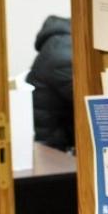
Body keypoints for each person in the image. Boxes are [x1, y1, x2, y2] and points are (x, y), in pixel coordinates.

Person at [25, 16, 75, 151]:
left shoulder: (58, 44)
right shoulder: (62, 52)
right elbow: (86, 95)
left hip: (51, 143)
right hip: (54, 149)